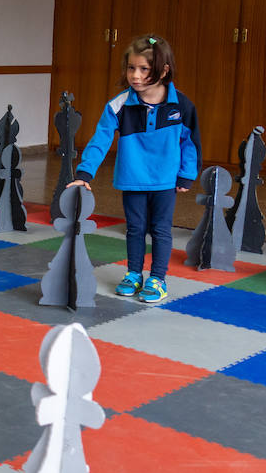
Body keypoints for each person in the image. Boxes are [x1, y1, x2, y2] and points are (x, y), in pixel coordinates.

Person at [69, 35, 199, 304]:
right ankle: (133, 274)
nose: (135, 76)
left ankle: (158, 278)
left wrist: (187, 173)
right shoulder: (119, 105)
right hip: (132, 179)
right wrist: (84, 173)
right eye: (131, 68)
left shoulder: (181, 106)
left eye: (144, 69)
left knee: (161, 229)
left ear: (163, 70)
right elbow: (100, 140)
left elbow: (191, 142)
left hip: (164, 181)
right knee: (135, 229)